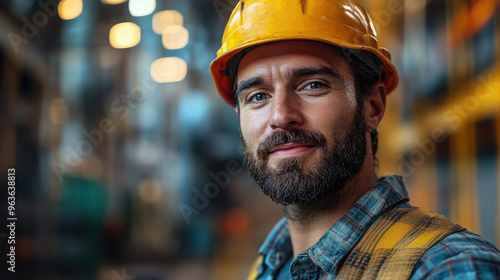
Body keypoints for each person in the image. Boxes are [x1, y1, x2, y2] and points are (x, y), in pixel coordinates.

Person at [210, 0, 500, 279]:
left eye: (313, 85)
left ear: (372, 106)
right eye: (258, 96)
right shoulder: (268, 267)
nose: (281, 115)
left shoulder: (449, 268)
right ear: (239, 116)